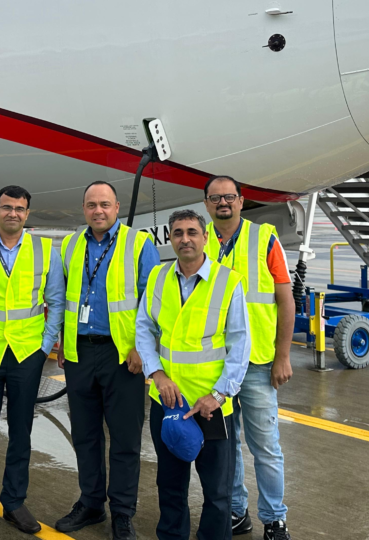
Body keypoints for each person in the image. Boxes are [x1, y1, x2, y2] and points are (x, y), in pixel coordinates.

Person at [0, 185, 66, 540]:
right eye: (7, 207)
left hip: (26, 354)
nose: (13, 214)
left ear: (27, 214)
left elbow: (56, 302)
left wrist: (44, 346)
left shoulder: (45, 251)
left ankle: (14, 501)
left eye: (20, 208)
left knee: (22, 432)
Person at [135, 208, 251, 540]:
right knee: (170, 486)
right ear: (170, 239)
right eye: (178, 233)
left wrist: (218, 395)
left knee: (217, 493)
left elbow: (240, 343)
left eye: (192, 232)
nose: (185, 239)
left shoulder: (228, 282)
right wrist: (156, 374)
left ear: (205, 237)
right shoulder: (158, 277)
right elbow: (143, 329)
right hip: (168, 402)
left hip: (211, 406)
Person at [54, 181, 160, 540]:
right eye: (91, 205)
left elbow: (151, 300)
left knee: (125, 439)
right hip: (80, 352)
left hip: (122, 357)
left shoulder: (139, 244)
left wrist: (141, 350)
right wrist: (63, 344)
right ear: (83, 209)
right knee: (84, 436)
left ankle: (123, 512)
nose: (98, 211)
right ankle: (91, 502)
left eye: (104, 204)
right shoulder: (70, 245)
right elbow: (61, 298)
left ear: (116, 207)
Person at [203, 176, 295, 540]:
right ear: (206, 203)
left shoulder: (265, 239)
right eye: (216, 198)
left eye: (229, 197)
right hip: (217, 363)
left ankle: (274, 519)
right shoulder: (200, 240)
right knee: (227, 447)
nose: (223, 203)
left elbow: (285, 299)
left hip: (257, 363)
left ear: (242, 201)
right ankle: (237, 513)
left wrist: (282, 355)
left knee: (266, 449)